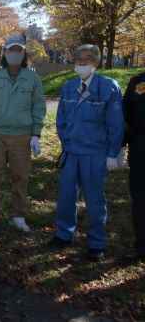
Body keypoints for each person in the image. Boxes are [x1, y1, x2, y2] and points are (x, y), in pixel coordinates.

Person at [51, 44, 124, 261]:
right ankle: (64, 235)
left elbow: (115, 123)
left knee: (94, 201)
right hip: (71, 152)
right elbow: (61, 119)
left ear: (96, 62)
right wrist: (66, 142)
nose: (81, 63)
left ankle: (97, 243)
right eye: (78, 59)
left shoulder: (108, 87)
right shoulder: (68, 87)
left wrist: (113, 153)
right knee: (65, 197)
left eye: (87, 59)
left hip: (95, 154)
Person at [0, 34, 46, 233]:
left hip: (22, 136)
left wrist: (36, 134)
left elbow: (38, 107)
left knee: (20, 177)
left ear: (23, 53)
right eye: (10, 50)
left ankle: (18, 215)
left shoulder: (32, 78)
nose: (14, 54)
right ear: (4, 53)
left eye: (18, 50)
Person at [122, 70, 145, 261]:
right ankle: (142, 246)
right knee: (140, 198)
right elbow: (126, 115)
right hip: (140, 148)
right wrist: (120, 146)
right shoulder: (138, 81)